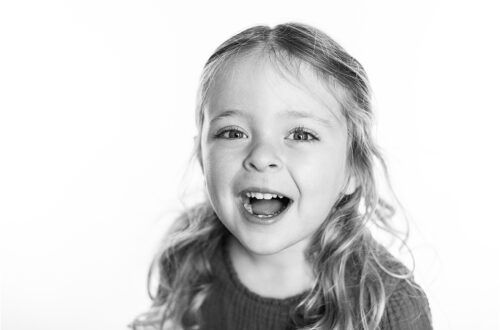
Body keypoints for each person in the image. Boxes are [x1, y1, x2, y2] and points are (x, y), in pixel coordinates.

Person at [129, 22, 432, 330]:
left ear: (353, 167)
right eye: (232, 132)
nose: (261, 157)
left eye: (301, 134)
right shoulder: (188, 258)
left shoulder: (389, 307)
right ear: (201, 156)